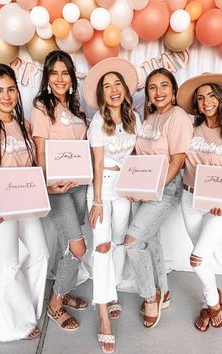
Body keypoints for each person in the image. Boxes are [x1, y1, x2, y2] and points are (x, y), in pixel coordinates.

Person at [124, 68, 193, 329]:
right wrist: (134, 185)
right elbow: (139, 156)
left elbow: (177, 160)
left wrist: (153, 188)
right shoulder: (150, 117)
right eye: (153, 87)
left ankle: (149, 296)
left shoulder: (177, 116)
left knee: (132, 242)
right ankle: (163, 291)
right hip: (144, 185)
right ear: (148, 94)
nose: (159, 91)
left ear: (173, 91)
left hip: (165, 187)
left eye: (164, 85)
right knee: (150, 239)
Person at [0, 63, 49, 342]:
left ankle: (29, 313)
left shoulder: (23, 126)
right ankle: (6, 326)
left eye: (10, 89)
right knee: (9, 265)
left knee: (40, 254)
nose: (6, 96)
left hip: (25, 202)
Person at [83, 57, 141, 353]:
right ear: (102, 95)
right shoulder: (97, 122)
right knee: (102, 246)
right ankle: (103, 314)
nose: (114, 89)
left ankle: (112, 292)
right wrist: (96, 201)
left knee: (118, 243)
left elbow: (135, 157)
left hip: (124, 189)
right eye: (107, 86)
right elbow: (97, 163)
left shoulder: (134, 118)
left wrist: (135, 186)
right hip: (102, 188)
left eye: (118, 83)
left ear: (125, 90)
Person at [31, 50, 88, 332]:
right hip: (56, 190)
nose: (60, 78)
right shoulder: (42, 106)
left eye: (65, 72)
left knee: (69, 244)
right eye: (53, 73)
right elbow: (40, 150)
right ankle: (55, 304)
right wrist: (47, 184)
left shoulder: (77, 106)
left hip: (79, 186)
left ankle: (63, 291)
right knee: (79, 246)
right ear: (47, 77)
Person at [177, 73, 222, 332]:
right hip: (189, 198)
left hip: (218, 204)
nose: (206, 102)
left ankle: (213, 305)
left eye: (211, 95)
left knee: (196, 258)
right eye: (201, 98)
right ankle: (213, 297)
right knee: (202, 259)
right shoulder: (190, 129)